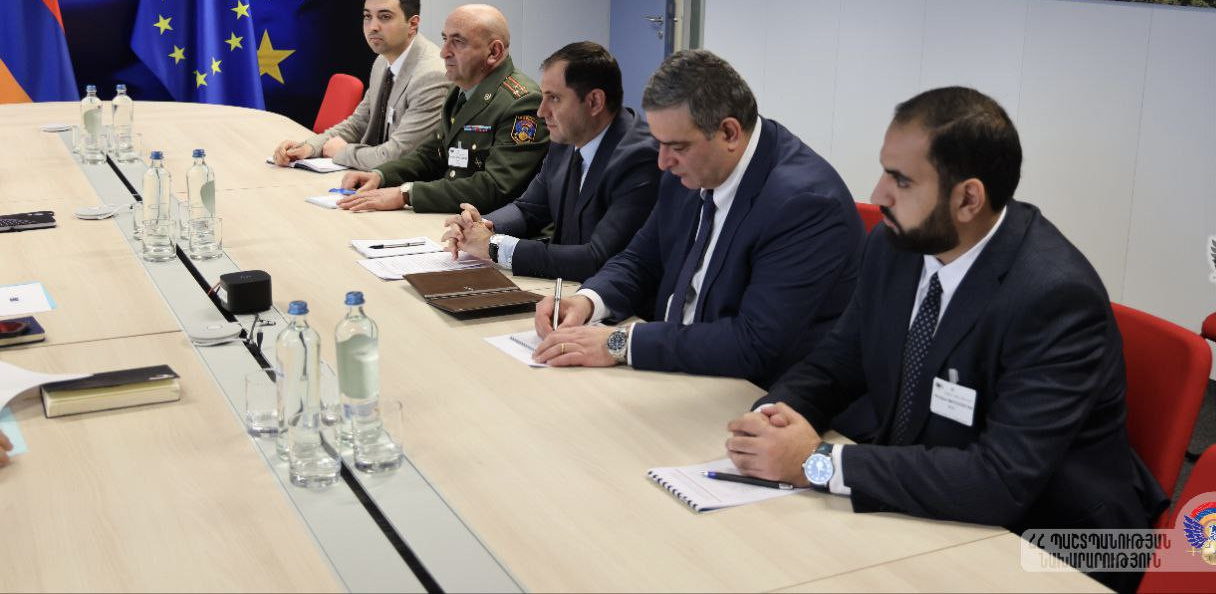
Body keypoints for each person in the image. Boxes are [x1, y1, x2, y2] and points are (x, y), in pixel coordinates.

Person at [723, 86, 1167, 540]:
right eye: (884, 171)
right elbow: (837, 363)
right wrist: (770, 421)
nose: (879, 194)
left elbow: (1000, 480)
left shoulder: (1055, 299)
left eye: (901, 181)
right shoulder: (894, 247)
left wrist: (818, 463)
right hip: (925, 500)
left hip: (1041, 538)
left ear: (968, 199)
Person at [529, 49, 865, 389]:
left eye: (676, 147)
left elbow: (753, 342)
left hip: (755, 392)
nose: (662, 162)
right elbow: (640, 260)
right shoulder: (692, 166)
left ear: (729, 133)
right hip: (676, 370)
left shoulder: (803, 204)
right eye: (659, 144)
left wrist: (622, 343)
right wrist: (587, 301)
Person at [441, 41, 659, 281]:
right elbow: (528, 209)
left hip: (607, 298)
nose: (541, 111)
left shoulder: (639, 159)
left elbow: (597, 258)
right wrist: (480, 227)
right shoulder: (567, 139)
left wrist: (495, 246)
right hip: (564, 288)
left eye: (554, 98)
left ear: (595, 102)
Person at [338, 3, 548, 213]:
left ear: (494, 51)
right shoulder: (460, 89)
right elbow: (432, 154)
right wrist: (381, 175)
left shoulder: (521, 102)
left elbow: (495, 187)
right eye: (445, 39)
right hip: (452, 216)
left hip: (486, 225)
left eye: (458, 42)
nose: (444, 52)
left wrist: (407, 194)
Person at [272, 0, 448, 170]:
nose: (373, 27)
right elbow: (359, 123)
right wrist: (309, 147)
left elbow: (398, 156)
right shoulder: (382, 62)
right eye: (367, 16)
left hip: (407, 182)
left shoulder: (431, 75)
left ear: (412, 24)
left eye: (385, 17)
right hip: (372, 174)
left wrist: (343, 152)